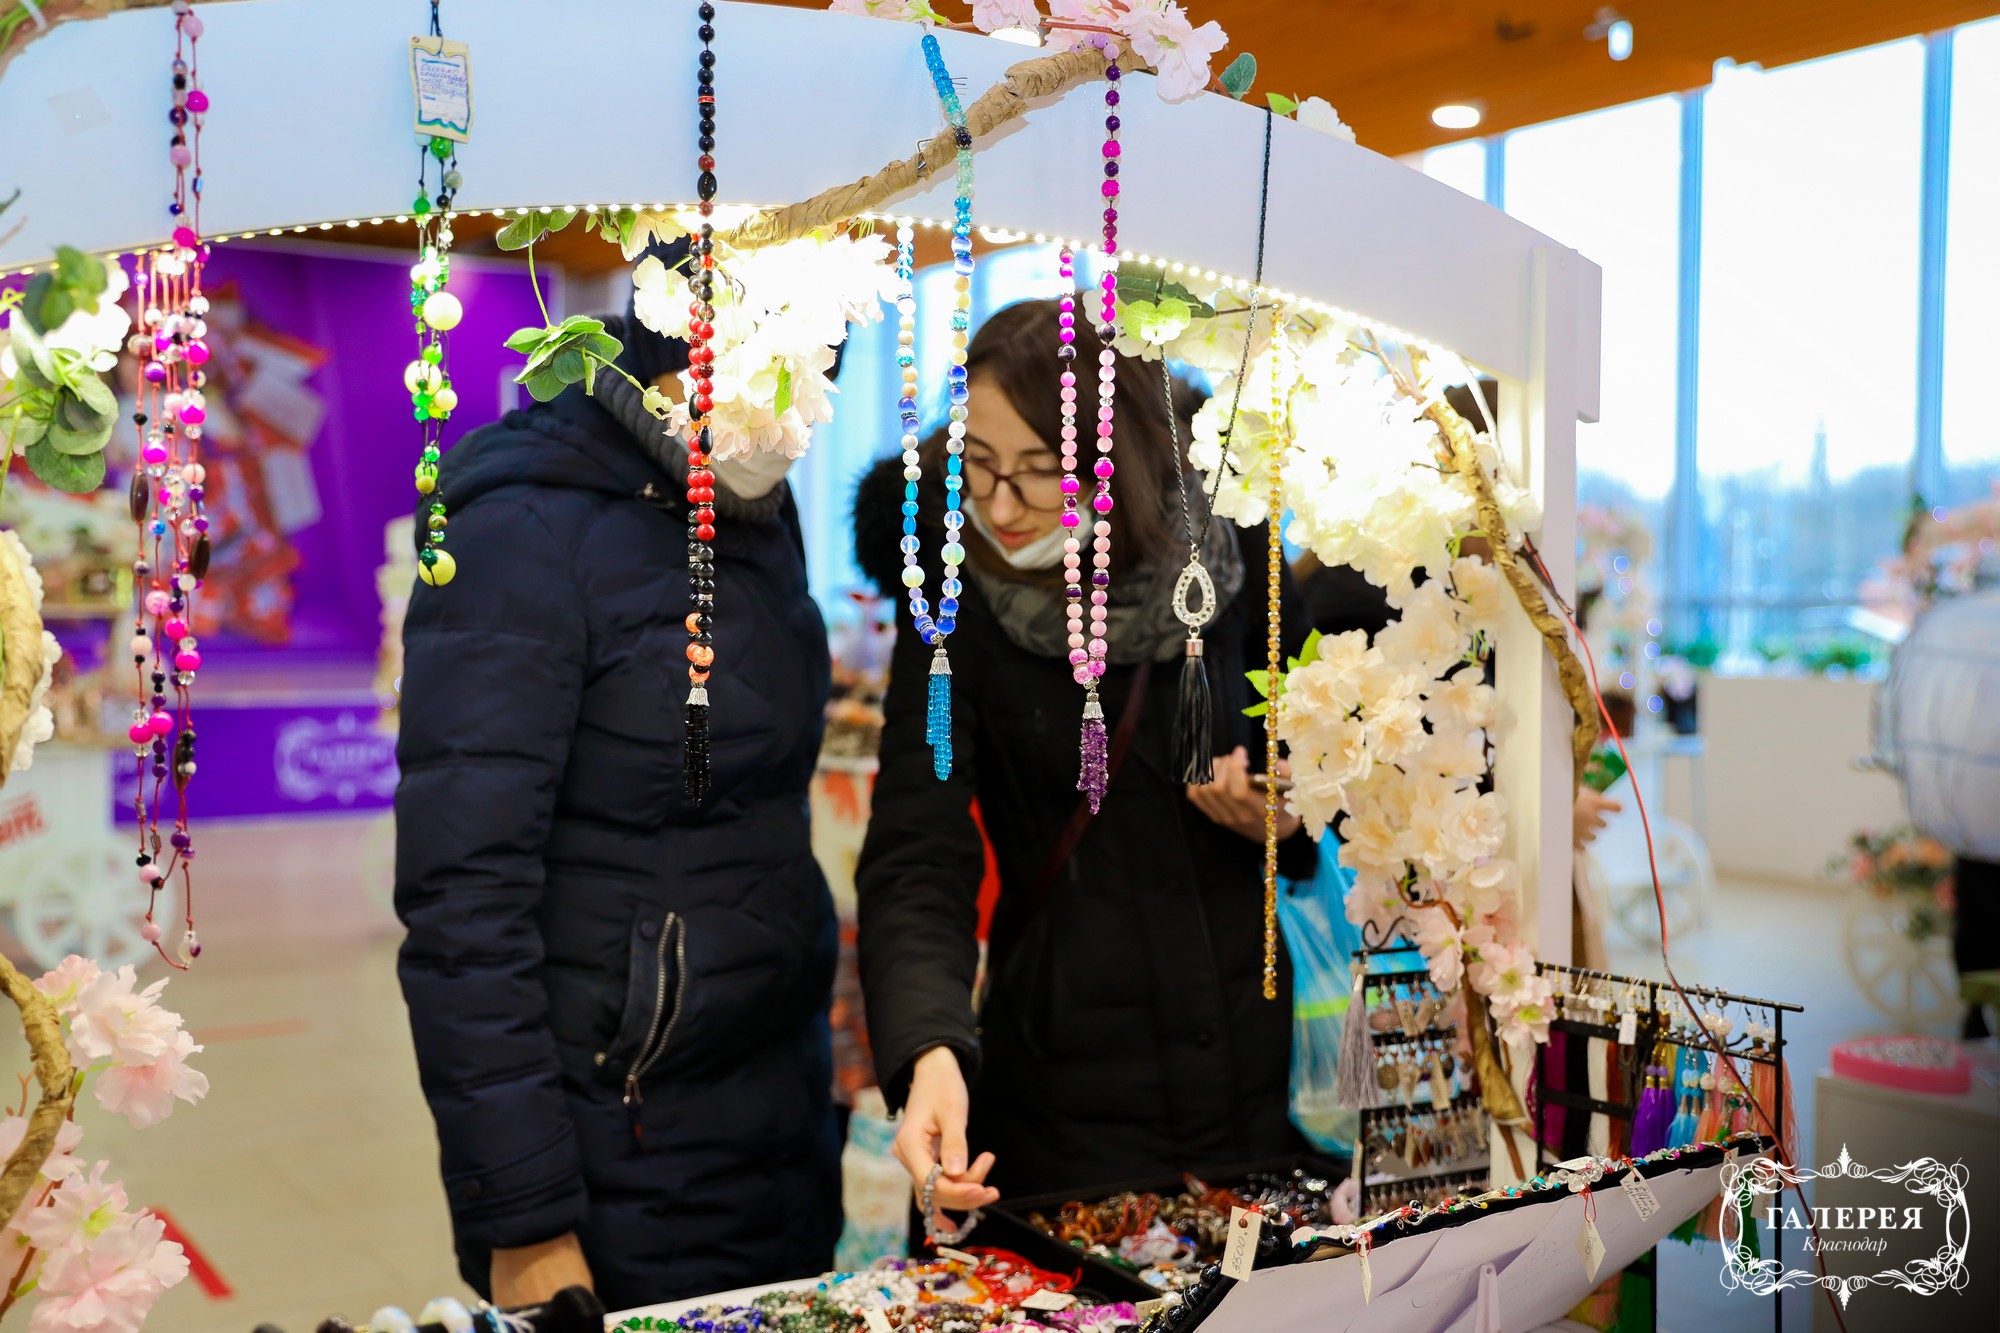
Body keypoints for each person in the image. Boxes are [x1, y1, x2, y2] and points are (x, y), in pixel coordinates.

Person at [393, 273, 842, 1311]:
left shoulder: (752, 506)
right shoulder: (524, 530)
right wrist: (527, 1216)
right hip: (617, 1136)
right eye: (764, 377)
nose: (784, 421)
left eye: (810, 382)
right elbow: (464, 901)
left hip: (774, 1109)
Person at [853, 299, 1317, 1227]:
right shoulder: (954, 604)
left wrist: (1292, 813)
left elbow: (1329, 752)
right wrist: (930, 1048)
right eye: (978, 465)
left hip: (1254, 1068)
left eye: (1038, 472)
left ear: (1119, 460)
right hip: (1061, 1088)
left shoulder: (1235, 557)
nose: (998, 506)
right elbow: (917, 852)